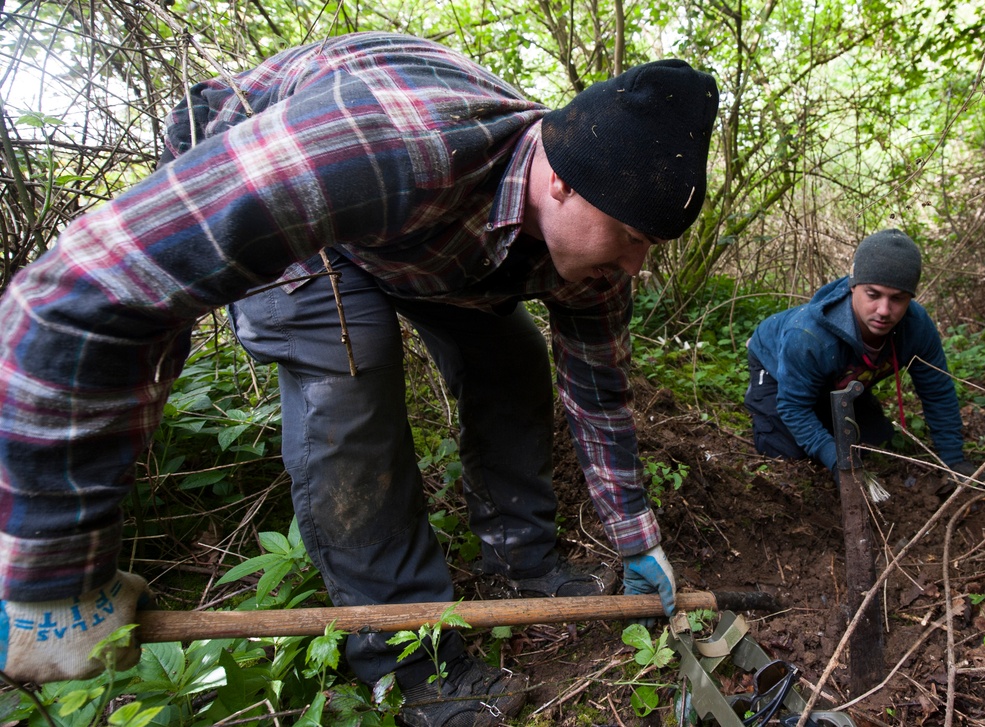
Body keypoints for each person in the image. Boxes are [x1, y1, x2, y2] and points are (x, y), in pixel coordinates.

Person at [0, 32, 719, 725]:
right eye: (630, 238)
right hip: (296, 197)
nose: (636, 267)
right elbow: (72, 299)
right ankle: (412, 663)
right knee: (353, 367)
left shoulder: (594, 249)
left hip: (425, 242)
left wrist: (636, 537)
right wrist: (55, 572)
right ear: (559, 180)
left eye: (650, 247)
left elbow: (599, 397)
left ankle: (520, 559)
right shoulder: (396, 144)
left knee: (512, 355)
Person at [744, 228, 977, 483]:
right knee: (786, 452)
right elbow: (793, 406)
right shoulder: (809, 337)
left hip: (837, 375)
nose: (884, 310)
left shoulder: (917, 327)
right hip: (775, 365)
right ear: (853, 285)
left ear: (910, 297)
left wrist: (953, 460)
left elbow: (937, 391)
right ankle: (764, 403)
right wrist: (836, 459)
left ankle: (828, 404)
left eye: (897, 298)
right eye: (873, 295)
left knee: (877, 444)